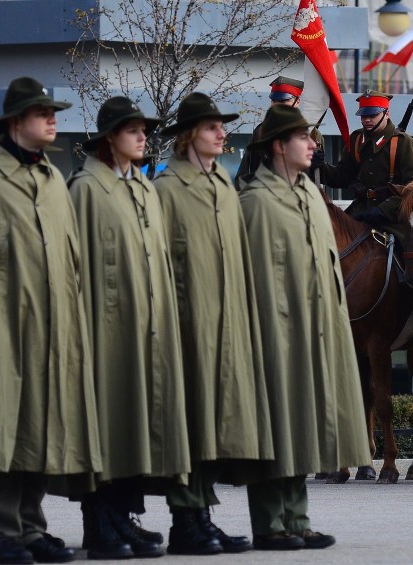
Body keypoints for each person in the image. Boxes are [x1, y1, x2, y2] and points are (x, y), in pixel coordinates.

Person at [0, 77, 102, 564]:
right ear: (16, 123)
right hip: (3, 330)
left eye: (52, 112)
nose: (52, 120)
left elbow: (69, 260)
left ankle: (32, 528)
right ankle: (2, 532)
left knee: (42, 428)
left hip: (54, 329)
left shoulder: (53, 178)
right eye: (41, 113)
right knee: (2, 425)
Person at [238, 104, 371, 550]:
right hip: (275, 330)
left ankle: (297, 518)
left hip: (317, 328)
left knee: (303, 424)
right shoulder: (256, 201)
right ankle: (270, 523)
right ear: (278, 147)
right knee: (276, 424)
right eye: (303, 138)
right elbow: (254, 277)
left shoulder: (312, 197)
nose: (313, 145)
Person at [68, 96, 192, 559]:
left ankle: (123, 518)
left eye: (144, 129)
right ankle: (100, 526)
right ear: (109, 139)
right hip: (103, 330)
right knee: (106, 427)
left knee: (132, 427)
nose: (143, 136)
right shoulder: (86, 189)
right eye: (132, 130)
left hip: (144, 329)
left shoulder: (140, 188)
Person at [154, 92, 274, 556]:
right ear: (188, 136)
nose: (221, 133)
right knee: (190, 423)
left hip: (227, 326)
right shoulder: (165, 190)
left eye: (221, 127)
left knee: (215, 424)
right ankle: (186, 519)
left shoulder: (224, 185)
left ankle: (202, 515)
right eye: (211, 127)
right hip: (186, 327)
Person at [317, 90, 413, 331]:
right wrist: (321, 165)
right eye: (363, 115)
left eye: (372, 115)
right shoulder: (356, 141)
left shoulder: (404, 145)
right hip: (362, 209)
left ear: (385, 113)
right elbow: (342, 176)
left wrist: (383, 210)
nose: (366, 120)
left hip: (396, 213)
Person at [235, 76, 303, 181]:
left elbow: (331, 178)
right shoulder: (261, 131)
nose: (276, 105)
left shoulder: (310, 133)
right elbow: (244, 173)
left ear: (297, 101)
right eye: (274, 101)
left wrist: (319, 166)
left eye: (283, 101)